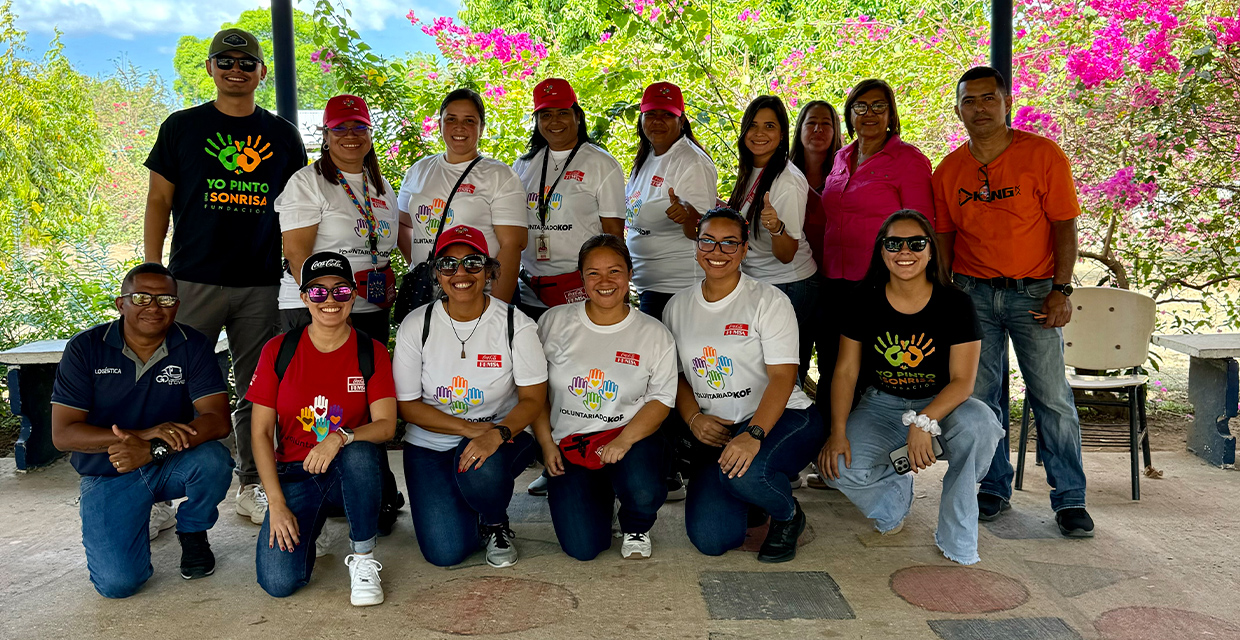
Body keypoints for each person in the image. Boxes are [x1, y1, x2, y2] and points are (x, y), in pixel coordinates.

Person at [143, 28, 308, 526]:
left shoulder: (282, 136)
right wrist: (154, 272)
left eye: (246, 62)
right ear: (211, 68)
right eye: (226, 61)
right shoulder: (182, 127)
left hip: (259, 284)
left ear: (261, 72)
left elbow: (298, 210)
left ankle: (253, 483)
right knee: (172, 382)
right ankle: (156, 492)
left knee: (257, 388)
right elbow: (158, 201)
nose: (236, 69)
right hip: (191, 280)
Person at [933, 66, 1093, 537]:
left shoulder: (1041, 155)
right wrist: (947, 290)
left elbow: (1065, 224)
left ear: (1007, 103)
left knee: (1051, 398)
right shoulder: (949, 170)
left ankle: (1069, 499)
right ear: (958, 108)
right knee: (981, 398)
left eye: (989, 99)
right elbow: (944, 233)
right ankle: (991, 487)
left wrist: (1061, 289)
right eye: (969, 100)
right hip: (972, 294)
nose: (979, 108)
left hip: (1035, 294)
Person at [817, 210, 1003, 564]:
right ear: (881, 251)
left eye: (916, 243)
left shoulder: (956, 303)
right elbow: (845, 372)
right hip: (882, 405)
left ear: (931, 250)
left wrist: (924, 422)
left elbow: (964, 381)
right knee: (839, 467)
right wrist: (838, 431)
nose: (905, 251)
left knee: (980, 424)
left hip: (943, 404)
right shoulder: (861, 300)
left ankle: (958, 539)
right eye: (894, 243)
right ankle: (895, 500)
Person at [50, 263, 234, 598]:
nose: (153, 306)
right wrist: (145, 435)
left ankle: (192, 531)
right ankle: (135, 514)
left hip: (168, 463)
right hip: (111, 470)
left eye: (165, 299)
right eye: (141, 297)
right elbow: (64, 435)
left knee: (214, 461)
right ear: (121, 304)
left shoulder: (192, 344)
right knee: (118, 584)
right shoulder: (86, 348)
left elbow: (218, 420)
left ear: (177, 306)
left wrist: (152, 450)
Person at [273, 94, 405, 535]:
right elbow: (296, 252)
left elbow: (384, 247)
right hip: (315, 308)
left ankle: (373, 489)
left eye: (359, 127)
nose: (350, 135)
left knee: (366, 406)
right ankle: (309, 485)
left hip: (367, 306)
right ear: (325, 136)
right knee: (315, 404)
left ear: (370, 135)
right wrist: (324, 309)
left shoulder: (380, 187)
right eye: (340, 128)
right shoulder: (307, 182)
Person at [663, 208, 825, 563]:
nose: (716, 251)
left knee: (747, 474)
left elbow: (783, 377)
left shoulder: (768, 301)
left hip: (782, 417)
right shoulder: (676, 307)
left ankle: (787, 515)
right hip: (718, 429)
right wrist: (692, 419)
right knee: (712, 539)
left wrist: (753, 434)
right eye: (708, 240)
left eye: (728, 243)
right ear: (696, 244)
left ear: (744, 249)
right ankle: (752, 496)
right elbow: (675, 376)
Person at [393, 225, 549, 568]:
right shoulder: (416, 325)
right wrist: (468, 429)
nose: (460, 273)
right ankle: (467, 502)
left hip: (500, 437)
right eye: (448, 264)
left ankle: (495, 522)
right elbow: (406, 406)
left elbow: (533, 400)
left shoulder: (514, 325)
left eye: (473, 263)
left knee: (480, 471)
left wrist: (496, 433)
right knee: (445, 552)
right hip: (430, 445)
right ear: (436, 272)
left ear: (490, 271)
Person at [248, 251, 396, 606]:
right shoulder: (278, 350)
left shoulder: (370, 351)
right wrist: (277, 503)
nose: (330, 300)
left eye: (341, 291)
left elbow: (387, 426)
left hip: (349, 469)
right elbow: (259, 434)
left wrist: (340, 436)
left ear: (354, 295)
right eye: (318, 292)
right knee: (279, 582)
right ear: (303, 298)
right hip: (296, 473)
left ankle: (362, 558)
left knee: (359, 451)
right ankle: (310, 524)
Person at [533, 235, 677, 560]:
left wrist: (624, 442)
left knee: (642, 487)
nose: (605, 281)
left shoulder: (654, 334)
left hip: (630, 438)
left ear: (629, 274)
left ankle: (636, 523)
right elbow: (534, 389)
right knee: (584, 548)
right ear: (581, 277)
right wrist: (546, 443)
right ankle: (600, 494)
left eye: (614, 271)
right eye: (593, 273)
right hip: (571, 443)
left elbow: (661, 400)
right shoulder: (554, 322)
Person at [818, 79, 933, 428]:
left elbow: (921, 230)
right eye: (861, 106)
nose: (869, 114)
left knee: (869, 372)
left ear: (891, 112)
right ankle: (831, 454)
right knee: (831, 366)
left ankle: (863, 459)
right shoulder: (840, 157)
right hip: (833, 281)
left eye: (878, 106)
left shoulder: (908, 160)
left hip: (877, 285)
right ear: (850, 113)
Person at [398, 88, 527, 303]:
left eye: (469, 120)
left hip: (478, 293)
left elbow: (512, 246)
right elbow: (403, 224)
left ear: (482, 128)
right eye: (451, 119)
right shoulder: (418, 170)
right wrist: (420, 263)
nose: (459, 127)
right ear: (439, 124)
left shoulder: (499, 175)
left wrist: (496, 308)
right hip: (427, 292)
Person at [512, 78, 626, 321]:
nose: (555, 121)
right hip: (531, 290)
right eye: (546, 115)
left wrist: (619, 296)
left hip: (581, 289)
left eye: (563, 112)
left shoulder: (602, 164)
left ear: (578, 116)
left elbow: (614, 234)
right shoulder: (523, 165)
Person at [726, 95, 816, 383]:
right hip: (761, 282)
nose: (760, 134)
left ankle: (794, 425)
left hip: (789, 283)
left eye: (769, 126)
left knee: (782, 372)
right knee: (762, 368)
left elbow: (787, 252)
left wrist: (776, 228)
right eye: (753, 126)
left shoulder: (787, 181)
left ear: (781, 135)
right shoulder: (751, 169)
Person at [624, 81, 719, 322]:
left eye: (667, 114)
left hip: (677, 288)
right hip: (648, 286)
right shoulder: (647, 156)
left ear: (682, 120)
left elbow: (705, 232)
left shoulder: (691, 161)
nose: (657, 121)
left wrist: (689, 214)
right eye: (651, 114)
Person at [790, 100, 844, 490]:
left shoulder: (846, 170)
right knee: (788, 369)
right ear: (800, 129)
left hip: (839, 285)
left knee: (833, 372)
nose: (819, 129)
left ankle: (826, 457)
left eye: (827, 123)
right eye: (812, 122)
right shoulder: (782, 172)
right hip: (793, 285)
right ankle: (787, 453)